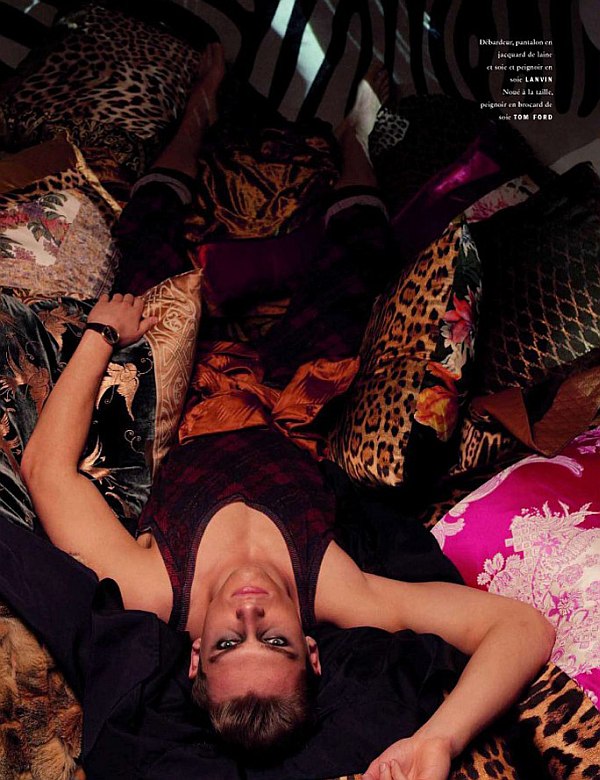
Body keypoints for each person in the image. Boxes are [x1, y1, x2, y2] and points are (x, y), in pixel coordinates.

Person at [21, 42, 555, 780]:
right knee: (362, 260)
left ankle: (199, 109)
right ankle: (352, 139)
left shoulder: (150, 588)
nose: (249, 614)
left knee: (144, 233)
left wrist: (101, 336)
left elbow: (45, 471)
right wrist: (438, 740)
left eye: (227, 643)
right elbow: (519, 626)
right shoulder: (339, 591)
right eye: (273, 642)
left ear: (192, 658)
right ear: (311, 650)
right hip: (294, 397)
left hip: (187, 388)